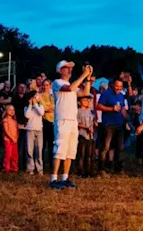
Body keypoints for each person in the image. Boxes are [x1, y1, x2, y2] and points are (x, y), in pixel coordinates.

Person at [50, 60, 92, 189]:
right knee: (59, 148)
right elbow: (69, 89)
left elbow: (85, 93)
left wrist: (88, 79)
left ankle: (65, 177)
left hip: (72, 120)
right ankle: (54, 178)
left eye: (70, 68)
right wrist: (83, 76)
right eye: (66, 67)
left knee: (70, 150)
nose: (69, 69)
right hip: (62, 119)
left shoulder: (71, 83)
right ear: (60, 70)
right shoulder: (57, 83)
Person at [97, 77, 128, 175]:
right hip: (108, 124)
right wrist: (111, 109)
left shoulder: (121, 95)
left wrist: (127, 119)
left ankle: (119, 169)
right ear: (112, 85)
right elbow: (99, 106)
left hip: (119, 124)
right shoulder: (106, 93)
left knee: (120, 147)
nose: (118, 88)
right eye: (117, 86)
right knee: (105, 146)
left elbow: (122, 108)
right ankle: (101, 168)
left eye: (120, 86)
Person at [23, 91, 45, 175]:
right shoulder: (27, 108)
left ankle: (39, 169)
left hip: (39, 130)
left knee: (39, 149)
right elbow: (27, 115)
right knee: (29, 150)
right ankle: (30, 168)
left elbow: (41, 113)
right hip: (30, 130)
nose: (38, 97)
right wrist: (30, 105)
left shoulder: (40, 106)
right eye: (36, 96)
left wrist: (35, 104)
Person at [77, 95, 98, 177]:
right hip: (82, 134)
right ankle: (81, 171)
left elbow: (94, 121)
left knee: (90, 154)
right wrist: (86, 127)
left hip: (91, 135)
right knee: (82, 154)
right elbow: (77, 123)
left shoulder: (91, 111)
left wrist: (94, 125)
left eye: (88, 100)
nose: (87, 101)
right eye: (84, 100)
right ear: (79, 102)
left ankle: (90, 170)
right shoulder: (78, 111)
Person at [0, 104, 19, 172]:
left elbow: (17, 131)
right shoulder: (5, 120)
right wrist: (12, 138)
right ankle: (6, 168)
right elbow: (6, 130)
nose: (12, 111)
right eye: (10, 110)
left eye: (13, 110)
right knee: (8, 154)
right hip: (7, 140)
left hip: (14, 140)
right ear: (6, 111)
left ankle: (14, 167)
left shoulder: (15, 121)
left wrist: (16, 138)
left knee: (15, 154)